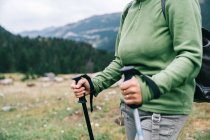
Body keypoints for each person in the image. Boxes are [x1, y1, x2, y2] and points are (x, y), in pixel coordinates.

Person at [71, 0, 202, 139]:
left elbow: (191, 56)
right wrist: (95, 83)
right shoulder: (130, 8)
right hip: (130, 107)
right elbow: (121, 61)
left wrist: (149, 87)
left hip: (162, 108)